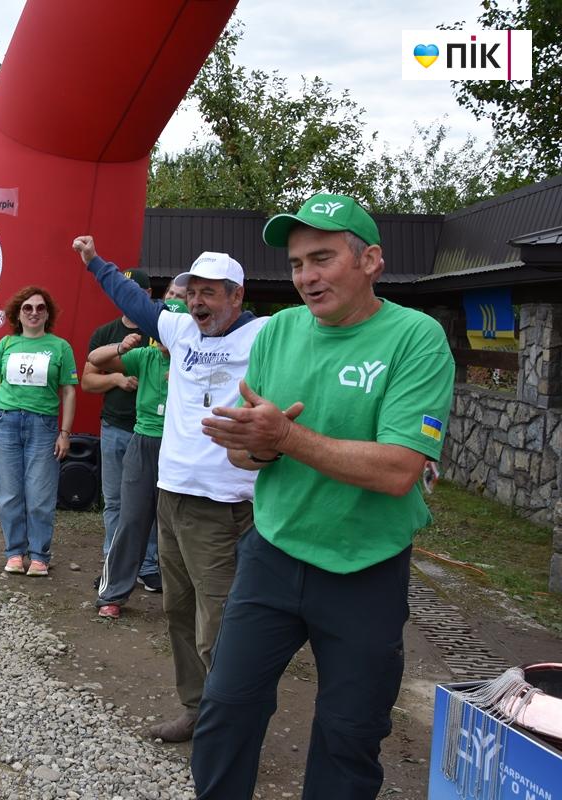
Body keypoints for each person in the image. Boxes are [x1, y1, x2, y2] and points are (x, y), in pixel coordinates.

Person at [193, 194, 454, 799]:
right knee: (226, 708)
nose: (306, 277)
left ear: (370, 262)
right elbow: (246, 456)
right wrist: (257, 445)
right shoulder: (278, 331)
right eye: (296, 264)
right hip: (273, 550)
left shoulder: (415, 338)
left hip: (365, 566)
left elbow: (398, 470)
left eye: (322, 258)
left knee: (349, 733)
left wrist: (283, 436)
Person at [73, 235, 265, 742]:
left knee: (217, 623)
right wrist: (96, 262)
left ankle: (229, 729)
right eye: (193, 291)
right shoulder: (180, 331)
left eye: (211, 293)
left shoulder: (264, 336)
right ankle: (197, 710)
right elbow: (133, 299)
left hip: (223, 506)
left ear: (236, 296)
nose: (198, 302)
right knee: (177, 612)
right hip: (172, 494)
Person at [88, 297, 188, 620]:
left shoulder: (195, 360)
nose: (160, 335)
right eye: (157, 328)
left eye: (167, 329)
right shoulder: (145, 356)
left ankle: (187, 599)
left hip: (181, 445)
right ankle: (112, 593)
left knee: (182, 525)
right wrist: (120, 347)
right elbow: (93, 359)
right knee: (130, 518)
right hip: (143, 442)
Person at [0, 285, 77, 578]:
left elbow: (68, 392)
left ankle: (40, 555)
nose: (33, 312)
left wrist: (65, 432)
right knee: (9, 491)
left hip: (43, 426)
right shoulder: (6, 344)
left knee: (40, 493)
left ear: (47, 314)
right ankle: (15, 553)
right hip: (5, 423)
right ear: (18, 313)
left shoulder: (60, 347)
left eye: (40, 308)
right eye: (27, 308)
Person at [82, 269, 161, 593]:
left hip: (155, 433)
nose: (126, 298)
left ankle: (149, 566)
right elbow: (87, 380)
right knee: (115, 502)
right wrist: (115, 379)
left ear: (148, 292)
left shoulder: (160, 328)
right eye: (121, 291)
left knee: (154, 504)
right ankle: (113, 565)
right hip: (115, 427)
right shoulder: (106, 332)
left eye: (133, 291)